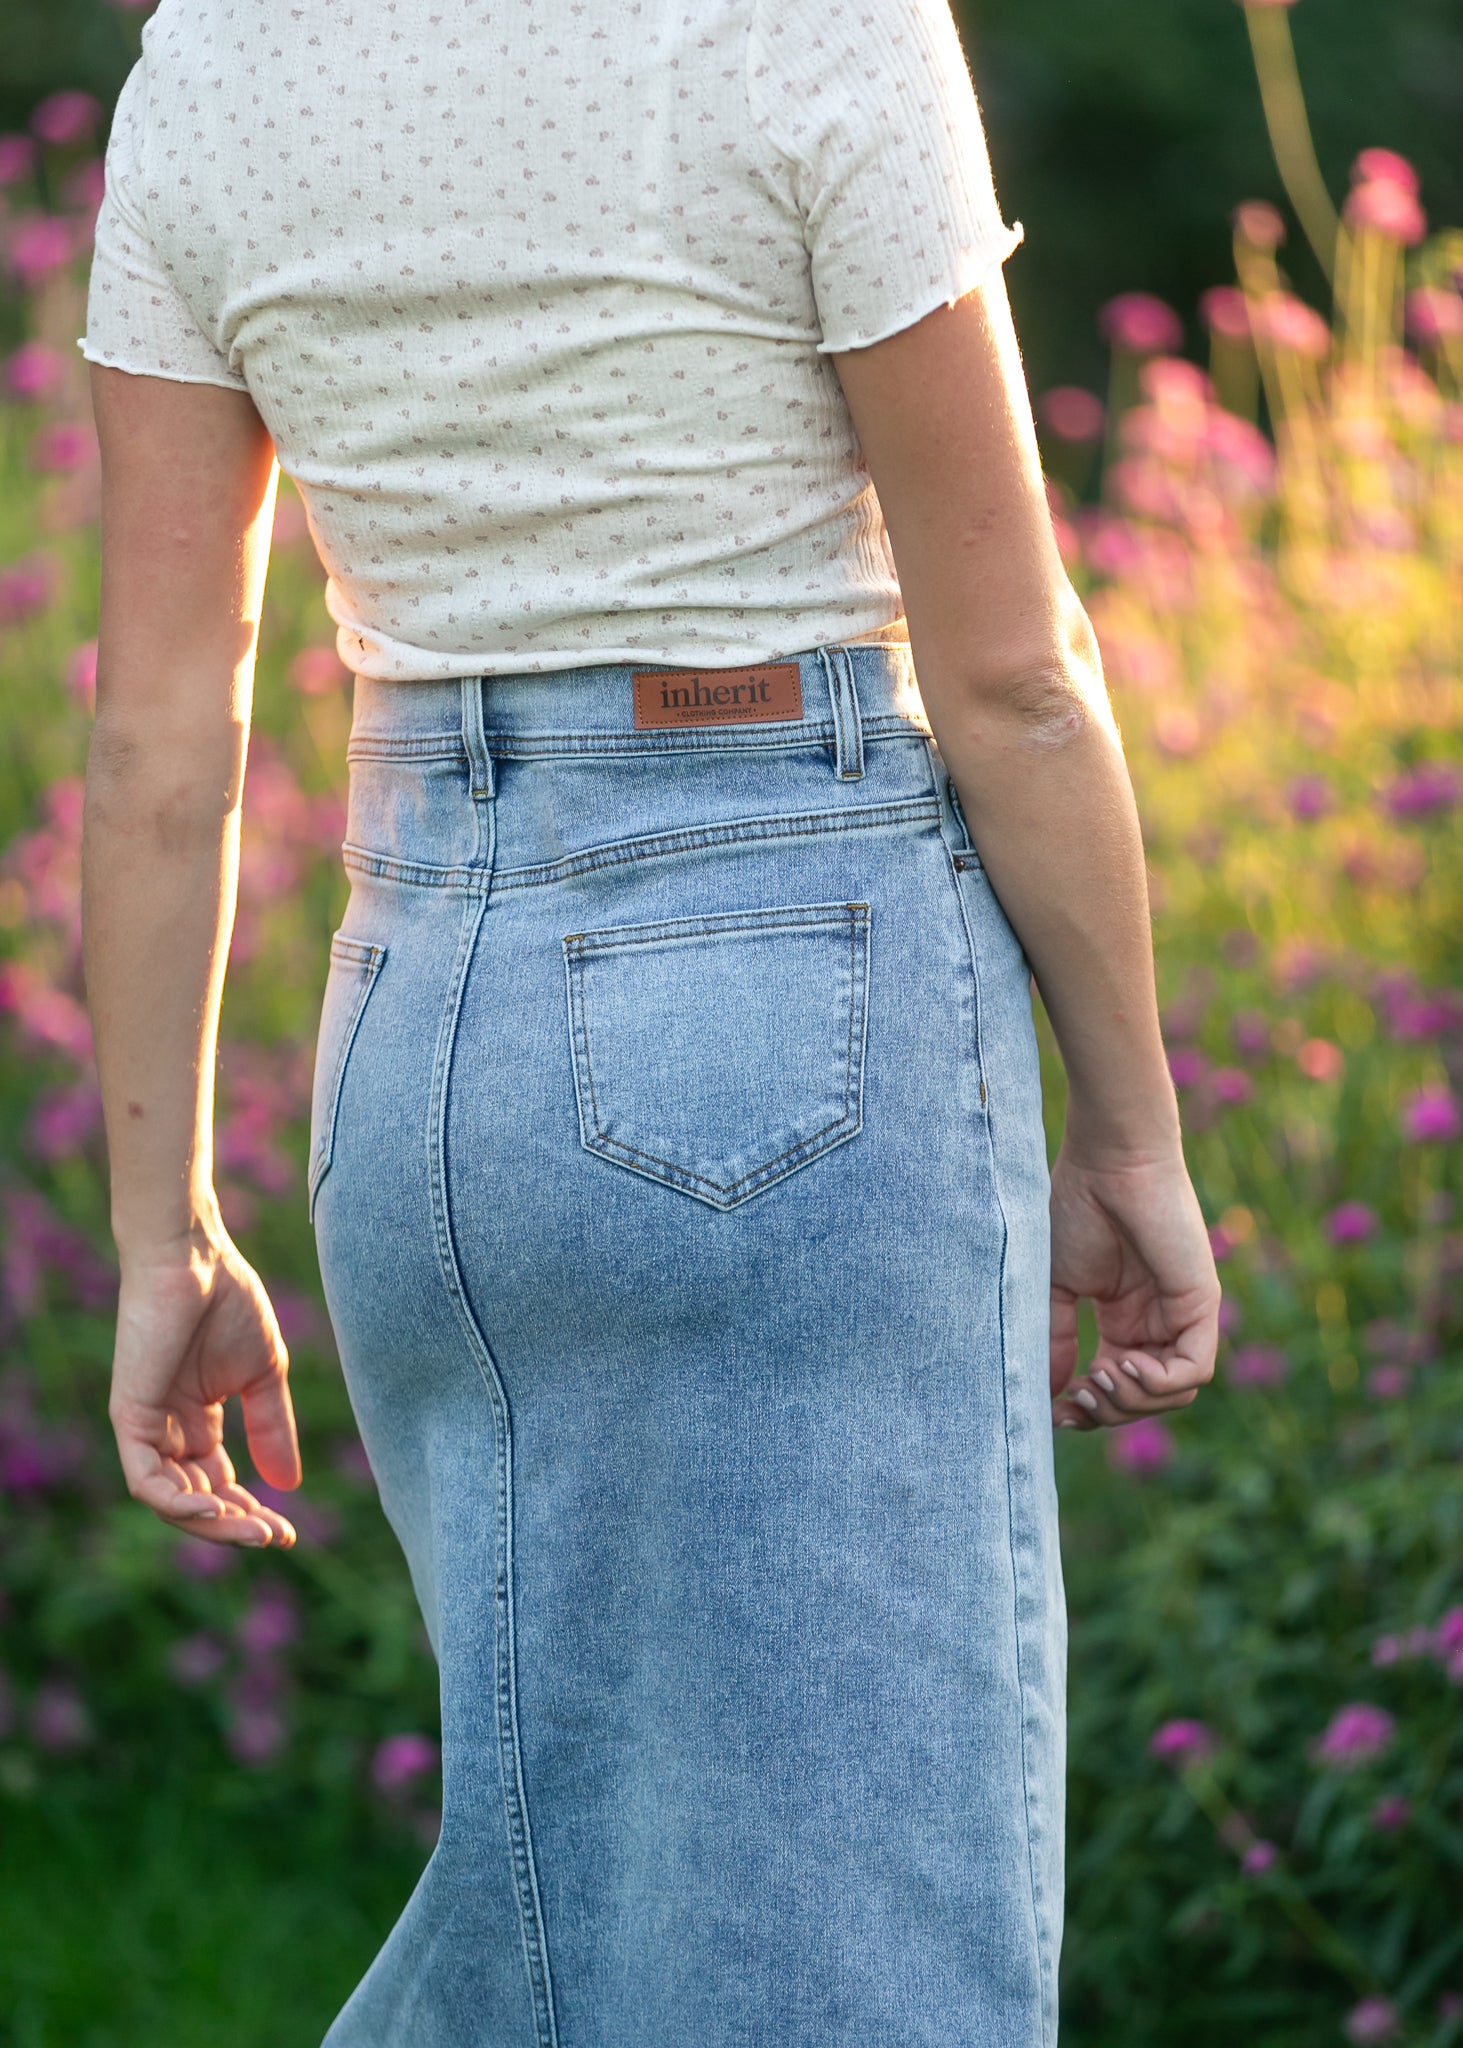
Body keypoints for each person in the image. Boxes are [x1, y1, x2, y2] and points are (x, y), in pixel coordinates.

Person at [77, 0, 1220, 2040]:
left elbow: (164, 731)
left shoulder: (215, 60)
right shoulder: (805, 22)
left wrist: (160, 1234)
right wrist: (1132, 1133)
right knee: (853, 1959)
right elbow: (1017, 677)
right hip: (790, 987)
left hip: (424, 1036)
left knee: (572, 1912)